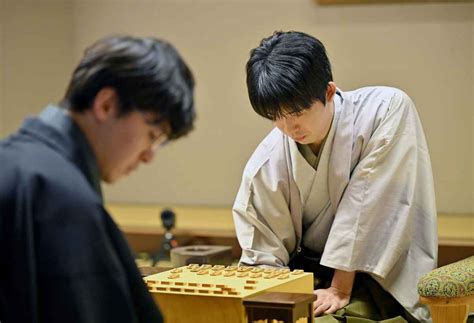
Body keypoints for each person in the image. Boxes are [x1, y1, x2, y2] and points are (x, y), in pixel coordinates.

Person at [233, 31, 437, 323]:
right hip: (307, 278)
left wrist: (340, 287)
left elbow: (367, 202)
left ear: (329, 91)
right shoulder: (266, 163)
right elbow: (262, 250)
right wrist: (282, 302)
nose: (289, 127)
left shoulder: (385, 109)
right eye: (275, 116)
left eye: (297, 112)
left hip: (376, 275)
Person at [0, 35, 195, 323]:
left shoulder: (10, 161)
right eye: (151, 136)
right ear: (107, 104)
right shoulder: (63, 200)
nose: (148, 156)